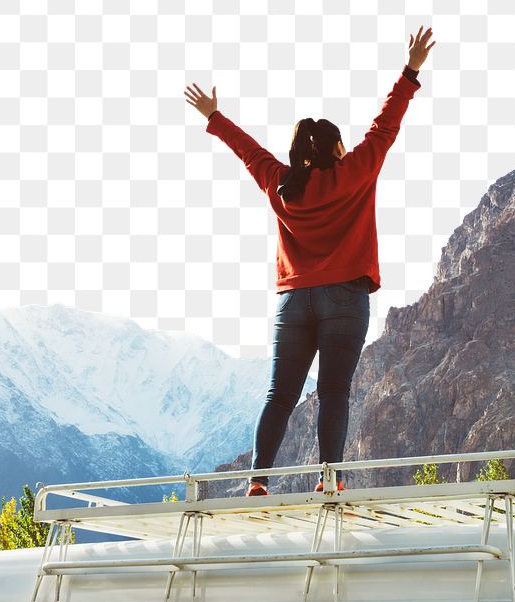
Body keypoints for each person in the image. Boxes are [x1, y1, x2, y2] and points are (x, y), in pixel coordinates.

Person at [184, 26, 436, 496]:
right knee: (334, 392)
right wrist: (410, 70)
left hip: (293, 302)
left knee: (279, 396)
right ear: (338, 149)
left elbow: (249, 153)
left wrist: (215, 117)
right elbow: (386, 124)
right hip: (345, 297)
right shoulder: (356, 171)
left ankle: (258, 481)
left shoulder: (281, 183)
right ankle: (329, 481)